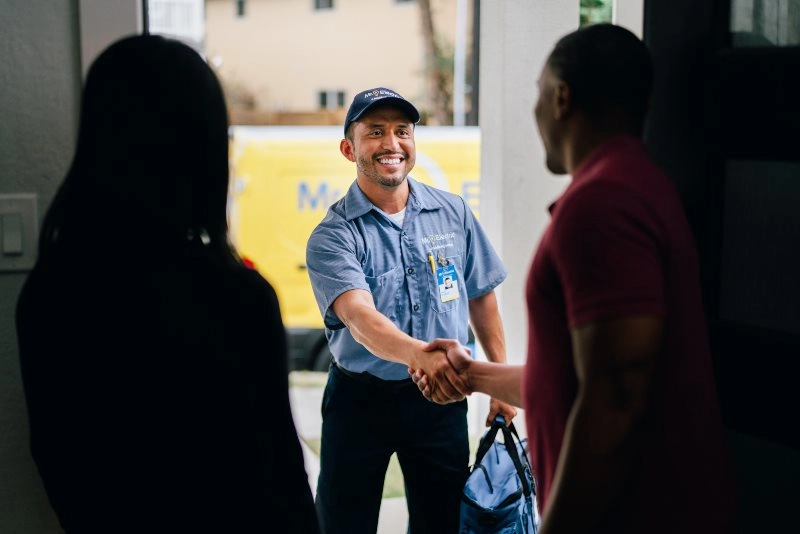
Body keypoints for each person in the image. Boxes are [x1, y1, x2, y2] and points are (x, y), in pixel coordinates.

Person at [412, 24, 736, 533]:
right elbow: (580, 379)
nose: (535, 112)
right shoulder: (635, 185)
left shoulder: (603, 205)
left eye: (538, 95)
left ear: (561, 97)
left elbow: (614, 395)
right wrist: (472, 377)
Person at [15, 34, 319, 533]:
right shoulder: (236, 299)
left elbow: (61, 471)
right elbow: (282, 481)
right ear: (203, 147)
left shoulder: (49, 294)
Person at [305, 86, 516, 533]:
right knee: (343, 523)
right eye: (375, 132)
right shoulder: (333, 235)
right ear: (349, 148)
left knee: (441, 522)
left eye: (403, 131)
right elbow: (360, 317)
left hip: (440, 403)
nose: (392, 143)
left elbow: (480, 294)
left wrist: (500, 380)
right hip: (360, 399)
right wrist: (419, 355)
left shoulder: (453, 212)